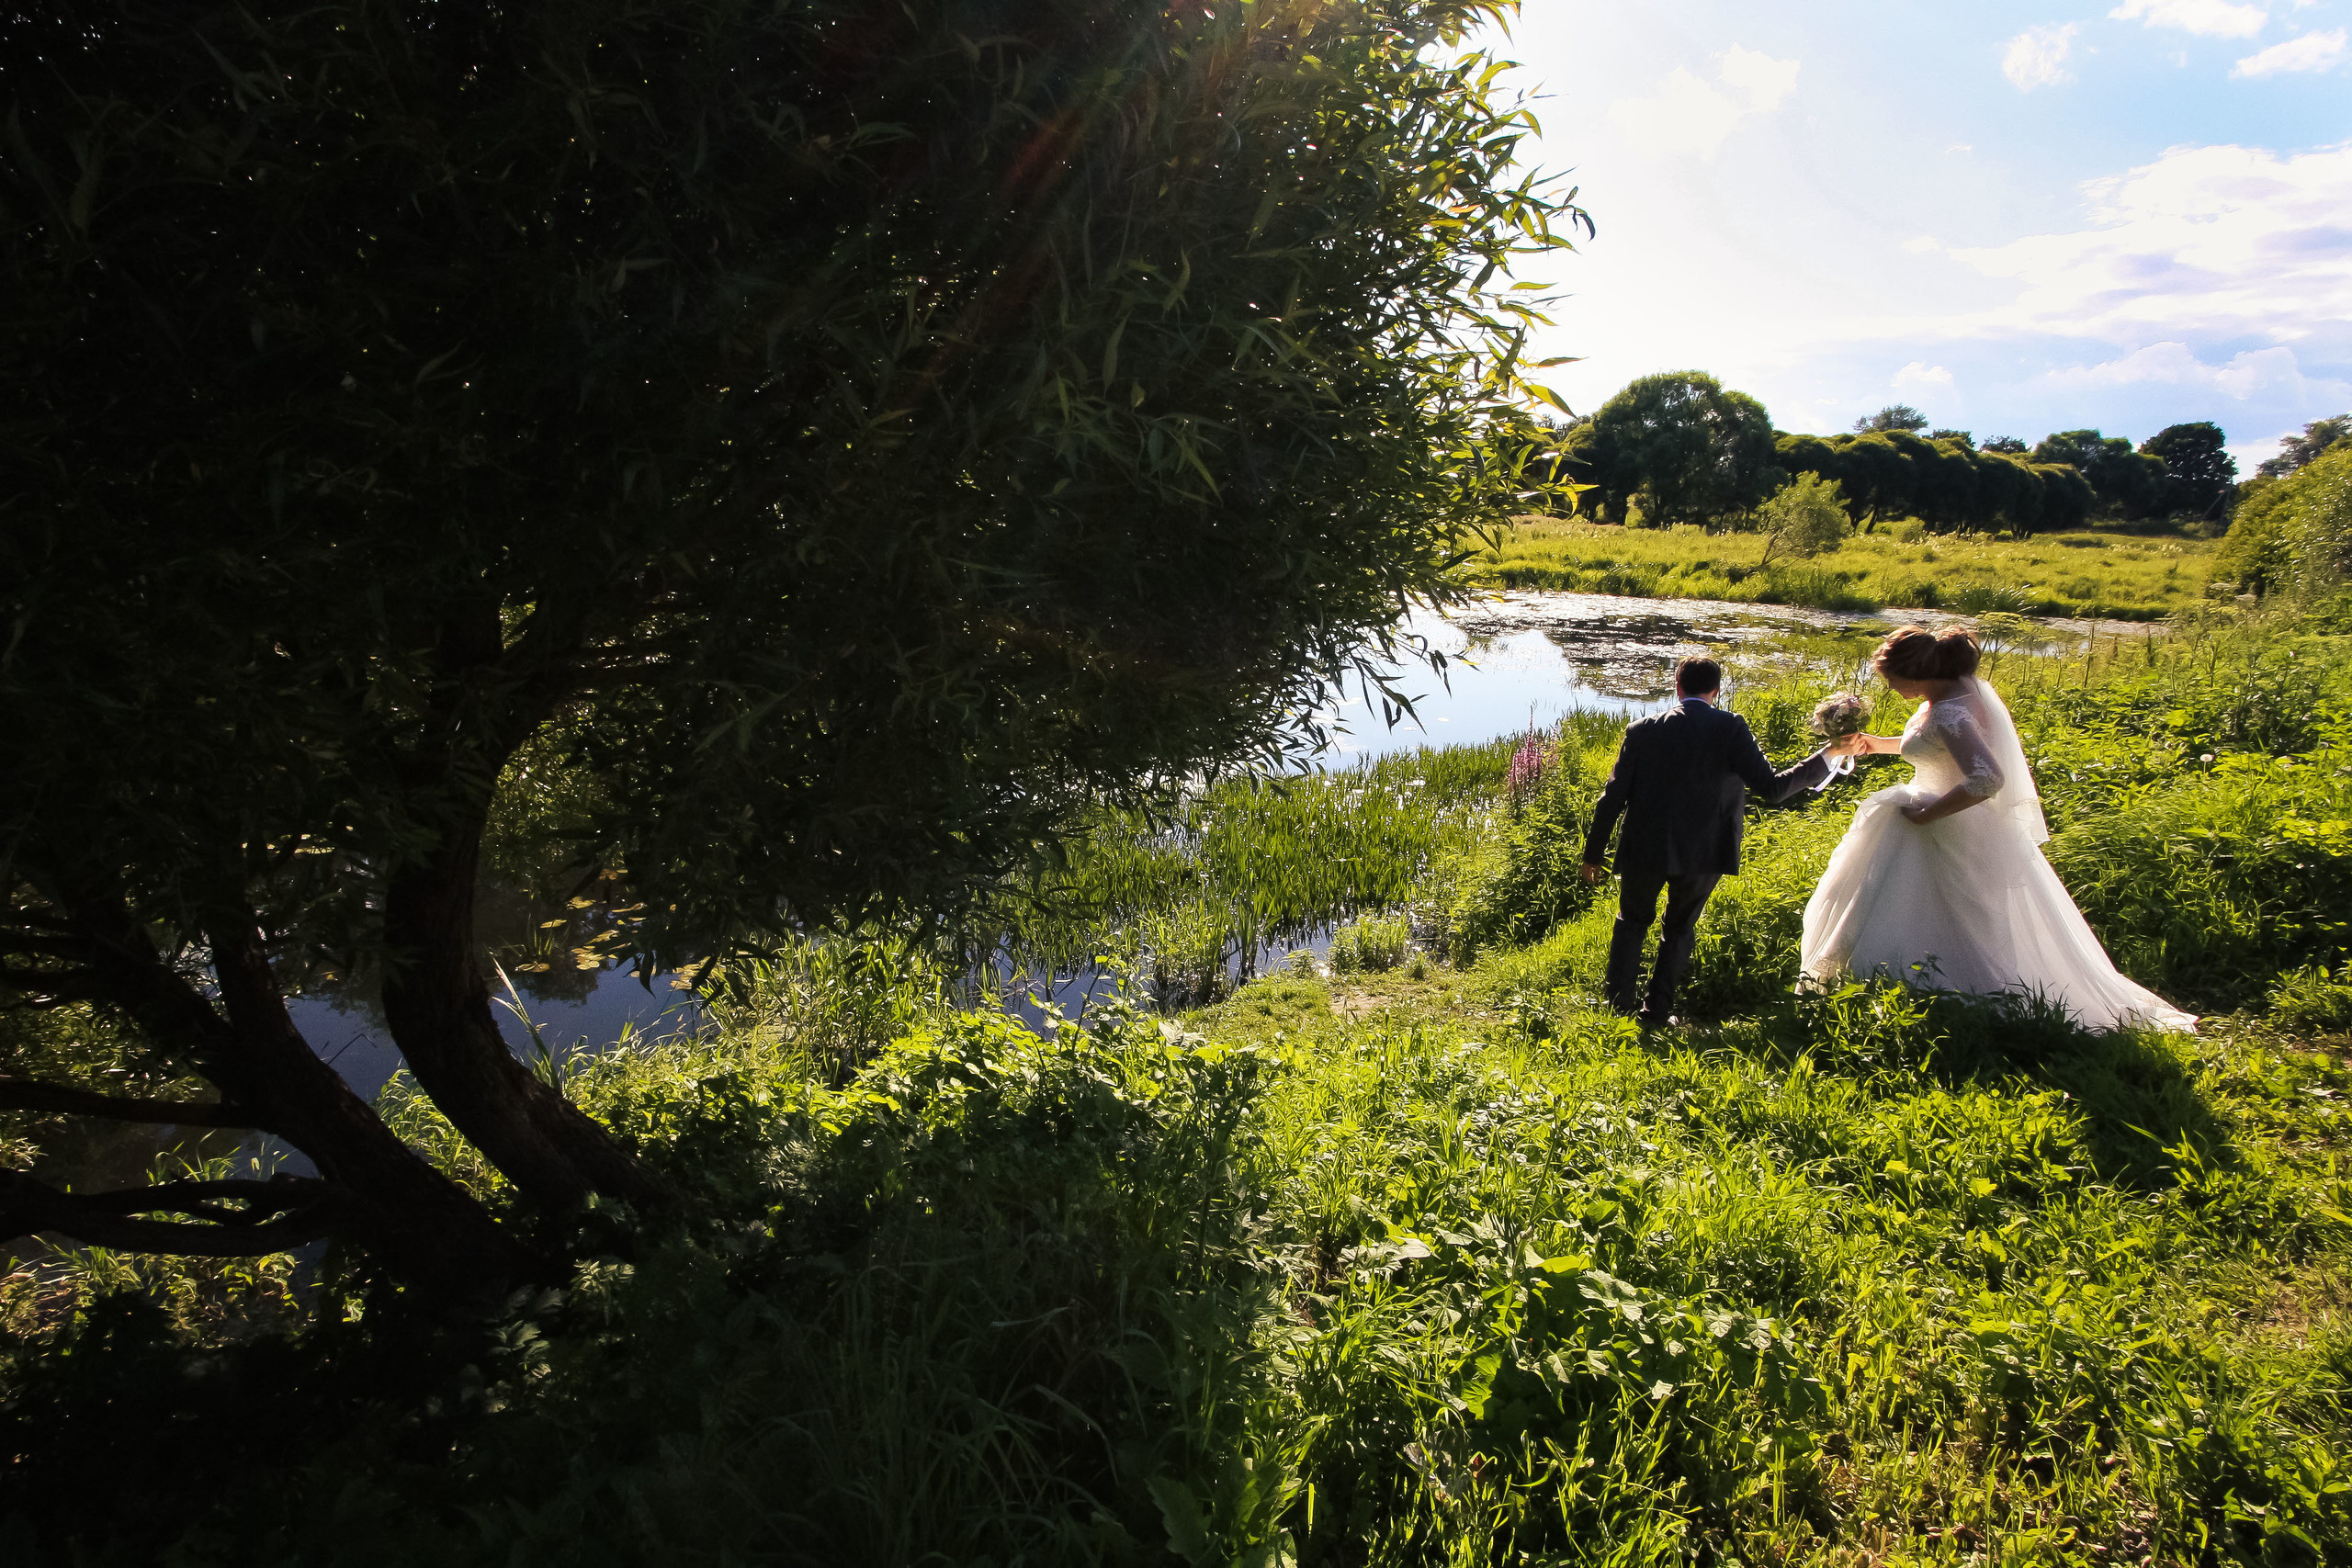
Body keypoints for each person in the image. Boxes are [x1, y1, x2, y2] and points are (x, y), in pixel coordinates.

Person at [1799, 625, 2195, 1032]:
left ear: (1913, 674)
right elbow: (1933, 744)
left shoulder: (1950, 710)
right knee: (1929, 907)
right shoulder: (1948, 699)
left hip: (1947, 823)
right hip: (1943, 819)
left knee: (1946, 912)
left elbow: (1986, 778)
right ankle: (1907, 987)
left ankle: (1953, 993)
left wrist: (1925, 816)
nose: (1889, 686)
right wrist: (1875, 743)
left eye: (1891, 679)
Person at [1580, 657, 1843, 1027]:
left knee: (1631, 922)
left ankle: (1618, 1005)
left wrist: (1593, 855)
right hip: (1704, 851)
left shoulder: (1642, 729)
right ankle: (1655, 1013)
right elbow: (1773, 788)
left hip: (1645, 847)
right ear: (1716, 691)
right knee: (1679, 929)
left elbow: (1612, 798)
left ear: (1677, 687)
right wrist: (1829, 754)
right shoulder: (1730, 727)